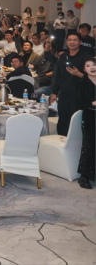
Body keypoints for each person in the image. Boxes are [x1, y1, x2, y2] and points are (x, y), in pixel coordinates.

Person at [51, 33, 90, 136]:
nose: (72, 42)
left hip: (79, 95)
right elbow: (58, 75)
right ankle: (61, 141)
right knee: (62, 119)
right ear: (67, 42)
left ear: (80, 42)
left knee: (75, 121)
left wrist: (79, 74)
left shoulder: (86, 58)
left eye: (75, 40)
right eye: (70, 40)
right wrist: (54, 92)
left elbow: (92, 78)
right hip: (64, 94)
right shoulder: (63, 57)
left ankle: (74, 143)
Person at [76, 59, 96, 189]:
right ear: (84, 70)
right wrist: (92, 103)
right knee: (89, 145)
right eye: (88, 66)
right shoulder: (83, 82)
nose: (92, 67)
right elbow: (79, 102)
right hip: (90, 117)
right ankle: (84, 176)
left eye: (94, 65)